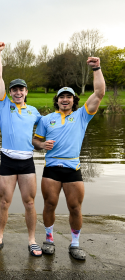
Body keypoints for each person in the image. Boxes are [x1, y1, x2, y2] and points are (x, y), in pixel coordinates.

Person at [32, 57, 105, 260]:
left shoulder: (82, 115)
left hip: (73, 168)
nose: (65, 99)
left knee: (75, 207)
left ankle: (75, 244)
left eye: (69, 97)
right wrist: (41, 145)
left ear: (74, 100)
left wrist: (96, 68)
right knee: (49, 205)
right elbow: (35, 142)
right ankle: (49, 239)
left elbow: (99, 93)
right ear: (57, 99)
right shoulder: (47, 119)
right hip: (52, 168)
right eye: (62, 96)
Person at [0, 42, 42, 256]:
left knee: (29, 202)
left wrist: (43, 145)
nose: (17, 92)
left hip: (27, 161)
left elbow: (44, 135)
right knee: (4, 201)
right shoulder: (3, 105)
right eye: (14, 89)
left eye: (21, 89)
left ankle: (32, 240)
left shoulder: (34, 111)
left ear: (26, 92)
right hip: (8, 160)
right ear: (9, 92)